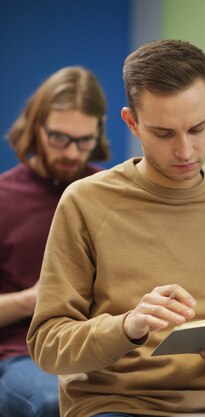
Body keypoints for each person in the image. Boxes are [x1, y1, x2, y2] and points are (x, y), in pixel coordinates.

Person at [26, 40, 205, 417]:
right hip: (117, 405)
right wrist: (126, 327)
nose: (185, 151)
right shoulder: (85, 202)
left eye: (198, 128)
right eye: (164, 134)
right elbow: (48, 343)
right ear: (131, 123)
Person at [0, 66, 110, 417]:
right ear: (36, 127)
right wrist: (31, 300)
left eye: (84, 140)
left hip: (102, 348)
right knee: (56, 403)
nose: (72, 153)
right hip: (24, 354)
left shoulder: (110, 193)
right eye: (59, 138)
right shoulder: (4, 197)